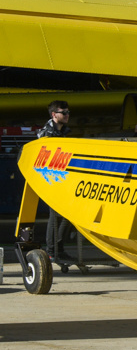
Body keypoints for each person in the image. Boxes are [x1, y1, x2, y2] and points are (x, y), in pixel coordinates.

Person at [37, 100, 72, 272]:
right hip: (51, 179)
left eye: (67, 112)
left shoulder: (63, 132)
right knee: (55, 215)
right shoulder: (47, 134)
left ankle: (58, 249)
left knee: (67, 215)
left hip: (61, 179)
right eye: (63, 112)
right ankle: (52, 251)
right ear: (54, 114)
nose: (66, 115)